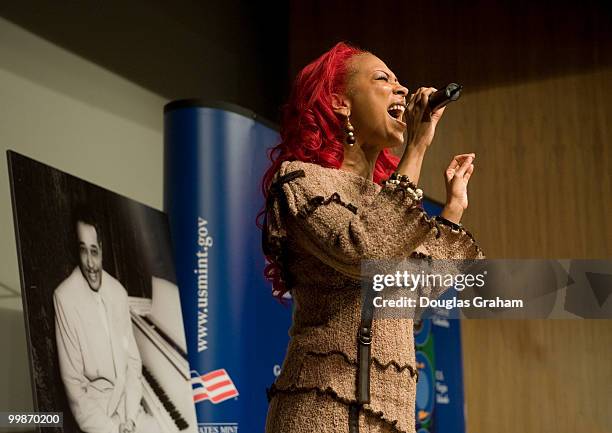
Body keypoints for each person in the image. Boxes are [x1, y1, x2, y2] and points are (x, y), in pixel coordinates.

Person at [261, 42, 484, 433]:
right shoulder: (301, 180)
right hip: (321, 410)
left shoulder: (388, 202)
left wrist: (453, 210)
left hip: (393, 414)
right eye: (383, 79)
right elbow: (363, 248)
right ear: (340, 102)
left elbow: (410, 299)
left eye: (400, 81)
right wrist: (415, 148)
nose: (401, 90)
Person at [53, 207, 158, 433]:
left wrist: (129, 420)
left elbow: (132, 365)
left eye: (94, 251)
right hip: (98, 420)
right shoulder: (64, 298)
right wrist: (112, 429)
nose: (90, 263)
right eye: (83, 251)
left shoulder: (118, 292)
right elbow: (75, 390)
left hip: (129, 411)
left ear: (102, 249)